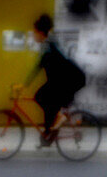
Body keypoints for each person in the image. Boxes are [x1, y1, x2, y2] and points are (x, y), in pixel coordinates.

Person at [17, 13, 85, 144]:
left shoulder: (48, 46)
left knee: (41, 97)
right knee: (46, 99)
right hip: (64, 80)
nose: (33, 35)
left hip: (69, 80)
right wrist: (25, 85)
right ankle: (49, 132)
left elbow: (38, 67)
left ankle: (56, 123)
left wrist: (24, 85)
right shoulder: (49, 43)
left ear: (41, 33)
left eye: (34, 32)